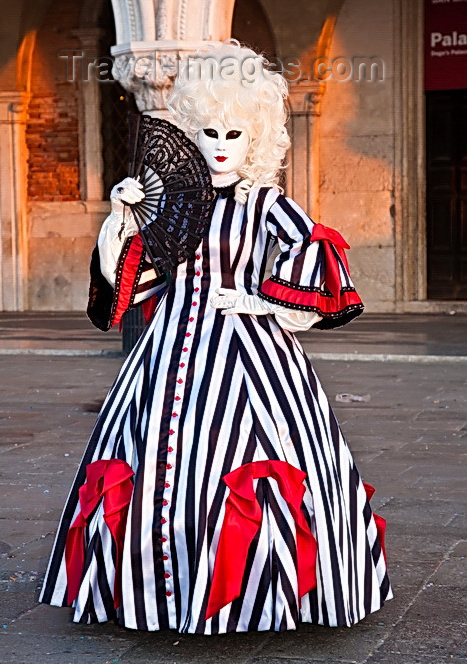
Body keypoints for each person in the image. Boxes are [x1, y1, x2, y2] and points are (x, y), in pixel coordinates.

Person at [39, 40, 392, 634]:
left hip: (251, 358)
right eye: (208, 133)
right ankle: (153, 592)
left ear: (254, 137)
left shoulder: (267, 203)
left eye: (233, 134)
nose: (222, 147)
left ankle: (259, 594)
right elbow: (137, 279)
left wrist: (257, 301)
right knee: (151, 460)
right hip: (167, 353)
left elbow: (316, 257)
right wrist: (122, 220)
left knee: (257, 464)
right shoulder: (177, 204)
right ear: (189, 132)